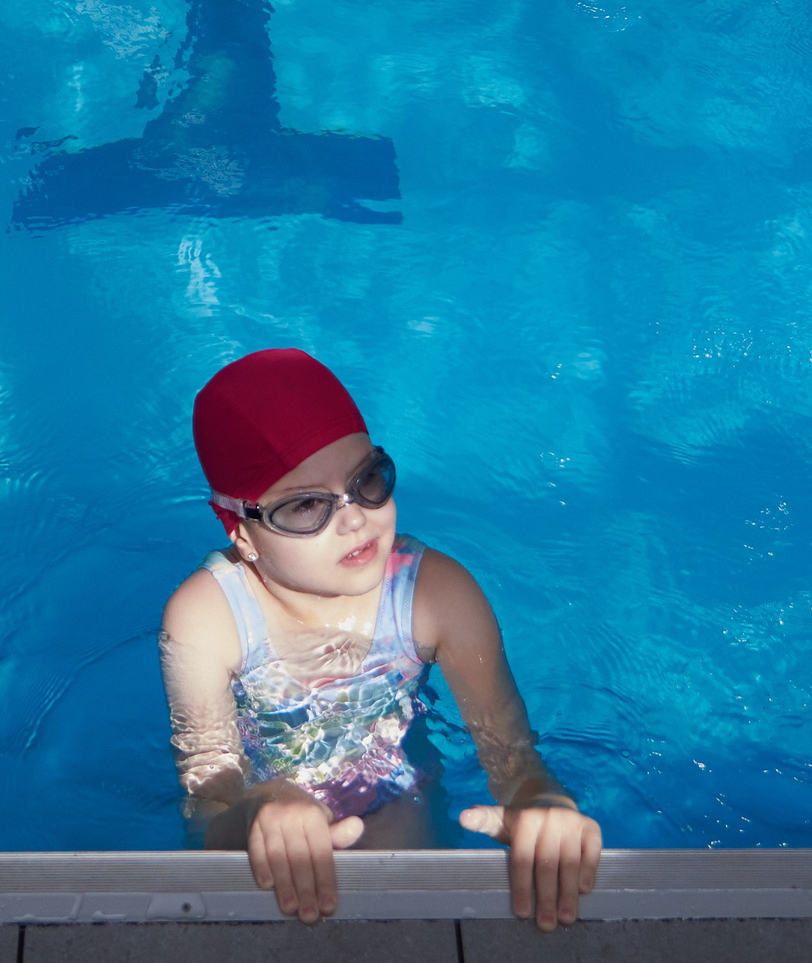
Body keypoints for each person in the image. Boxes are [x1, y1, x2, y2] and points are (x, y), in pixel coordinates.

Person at [158, 347, 603, 929]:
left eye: (367, 480)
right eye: (307, 506)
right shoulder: (206, 617)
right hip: (265, 814)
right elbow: (207, 801)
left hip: (390, 790)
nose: (354, 518)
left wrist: (542, 804)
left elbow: (512, 757)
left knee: (416, 921)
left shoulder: (436, 595)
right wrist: (251, 814)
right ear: (242, 531)